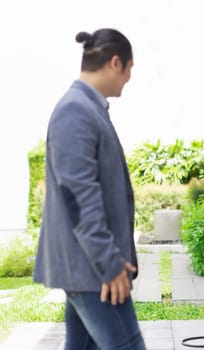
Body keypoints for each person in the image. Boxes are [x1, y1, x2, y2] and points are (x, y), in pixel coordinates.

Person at [33, 28, 146, 350]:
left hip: (84, 266)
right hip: (91, 269)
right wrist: (109, 264)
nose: (128, 79)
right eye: (129, 69)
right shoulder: (76, 110)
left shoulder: (86, 107)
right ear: (115, 63)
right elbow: (78, 198)